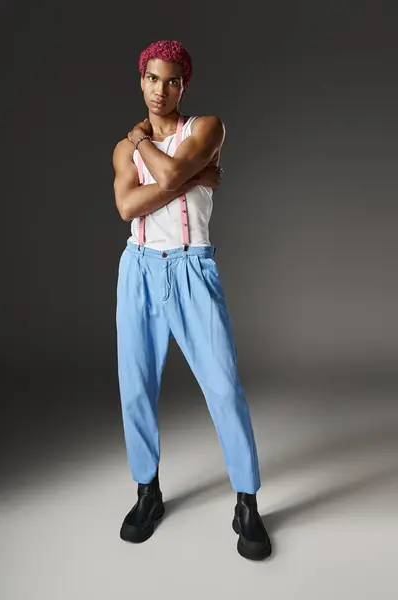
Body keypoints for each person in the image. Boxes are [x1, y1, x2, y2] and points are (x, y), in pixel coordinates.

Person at [112, 40, 271, 560]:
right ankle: (147, 492)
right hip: (137, 269)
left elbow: (169, 175)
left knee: (223, 387)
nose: (161, 90)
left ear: (185, 84)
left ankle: (247, 503)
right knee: (136, 387)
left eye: (172, 80)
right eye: (152, 79)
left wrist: (174, 167)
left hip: (192, 268)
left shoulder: (207, 128)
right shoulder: (122, 148)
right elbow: (126, 206)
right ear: (141, 81)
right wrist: (194, 177)